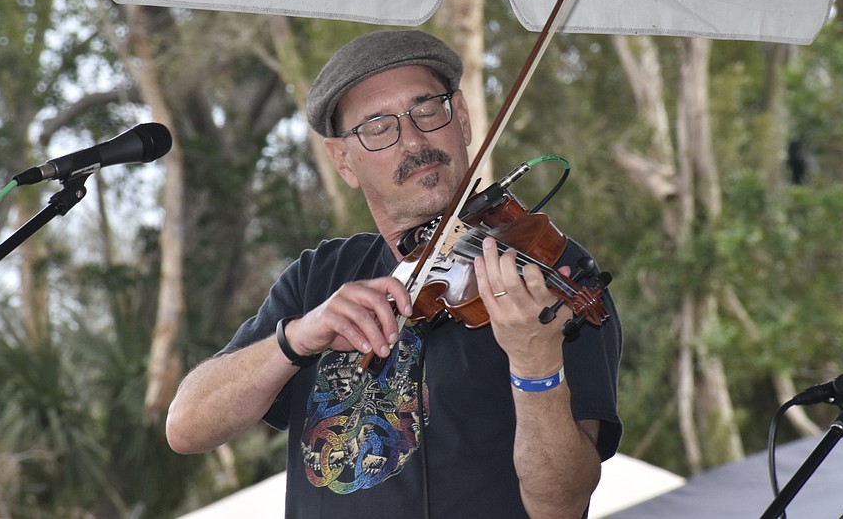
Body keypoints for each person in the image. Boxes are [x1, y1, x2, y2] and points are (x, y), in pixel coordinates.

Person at [166, 30, 623, 519]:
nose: (414, 140)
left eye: (427, 110)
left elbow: (561, 505)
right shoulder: (318, 277)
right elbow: (186, 427)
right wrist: (296, 339)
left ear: (462, 118)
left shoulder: (546, 271)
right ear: (343, 160)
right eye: (378, 128)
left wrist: (536, 365)